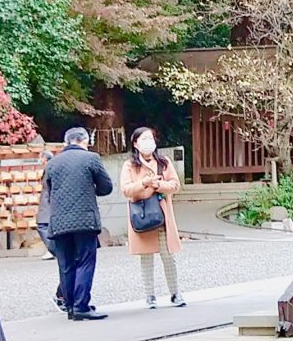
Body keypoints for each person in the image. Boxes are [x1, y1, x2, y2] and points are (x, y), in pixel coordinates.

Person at [39, 125, 114, 321]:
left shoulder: (52, 163)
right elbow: (106, 187)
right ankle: (81, 305)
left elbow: (48, 189)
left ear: (66, 142)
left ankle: (71, 307)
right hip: (84, 220)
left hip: (59, 221)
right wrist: (90, 189)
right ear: (85, 141)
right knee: (85, 261)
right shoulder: (91, 158)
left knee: (65, 265)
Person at [121, 126, 185, 311]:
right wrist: (144, 183)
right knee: (146, 258)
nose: (149, 142)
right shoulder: (129, 165)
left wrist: (159, 185)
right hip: (142, 215)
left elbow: (175, 185)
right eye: (144, 139)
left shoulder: (164, 162)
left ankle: (175, 293)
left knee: (168, 256)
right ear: (135, 143)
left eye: (151, 138)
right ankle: (150, 296)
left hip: (162, 215)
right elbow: (126, 190)